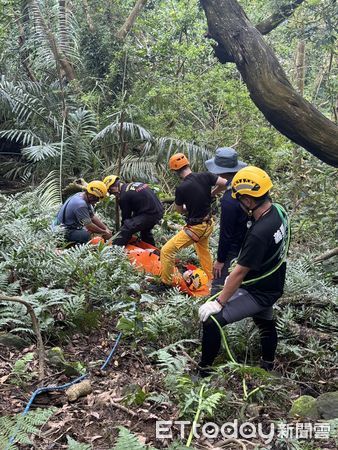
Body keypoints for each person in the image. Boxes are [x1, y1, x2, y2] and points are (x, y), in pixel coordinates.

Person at [198, 166, 289, 375]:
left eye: (238, 199)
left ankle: (205, 371)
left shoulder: (259, 233)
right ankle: (267, 364)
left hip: (258, 291)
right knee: (264, 320)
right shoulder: (279, 211)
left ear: (248, 201)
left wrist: (219, 302)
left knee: (212, 321)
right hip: (272, 284)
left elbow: (239, 273)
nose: (237, 203)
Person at [158, 153, 228, 290]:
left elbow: (179, 211)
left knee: (166, 251)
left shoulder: (181, 188)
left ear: (175, 171)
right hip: (208, 224)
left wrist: (186, 207)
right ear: (188, 164)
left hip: (196, 228)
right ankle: (212, 280)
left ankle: (166, 283)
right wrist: (212, 193)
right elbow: (226, 183)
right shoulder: (206, 176)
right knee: (203, 250)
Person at [205, 147, 248, 295]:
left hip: (234, 249)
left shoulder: (229, 200)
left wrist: (220, 260)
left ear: (220, 171)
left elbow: (226, 234)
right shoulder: (245, 186)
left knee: (218, 287)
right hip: (248, 243)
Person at [103, 175, 164, 246]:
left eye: (112, 193)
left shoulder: (124, 196)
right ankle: (151, 249)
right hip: (157, 210)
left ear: (113, 188)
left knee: (127, 227)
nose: (114, 195)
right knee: (145, 232)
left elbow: (126, 217)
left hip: (150, 214)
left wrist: (120, 234)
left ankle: (114, 249)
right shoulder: (131, 185)